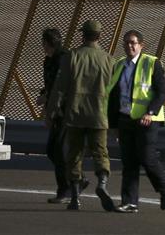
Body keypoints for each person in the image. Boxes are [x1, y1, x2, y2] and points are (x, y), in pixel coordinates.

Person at [46, 19, 115, 212]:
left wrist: (51, 113)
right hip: (99, 115)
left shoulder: (72, 57)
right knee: (100, 152)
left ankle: (75, 197)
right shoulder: (109, 60)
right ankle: (102, 183)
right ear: (99, 36)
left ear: (82, 35)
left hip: (75, 115)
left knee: (74, 155)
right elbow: (114, 92)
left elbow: (59, 89)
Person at [107, 30, 165, 213]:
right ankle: (129, 202)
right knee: (129, 162)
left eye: (133, 43)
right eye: (127, 43)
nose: (130, 46)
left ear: (141, 45)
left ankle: (164, 185)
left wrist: (150, 112)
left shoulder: (152, 63)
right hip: (125, 119)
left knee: (146, 157)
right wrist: (113, 125)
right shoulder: (119, 64)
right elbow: (113, 96)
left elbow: (162, 92)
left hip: (147, 120)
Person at [37, 28, 88, 204]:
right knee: (53, 150)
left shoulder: (64, 59)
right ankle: (77, 180)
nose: (43, 46)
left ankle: (67, 188)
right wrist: (44, 95)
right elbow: (50, 84)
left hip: (66, 111)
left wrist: (54, 105)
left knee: (58, 150)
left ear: (48, 43)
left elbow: (65, 85)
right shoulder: (48, 60)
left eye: (44, 42)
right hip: (55, 109)